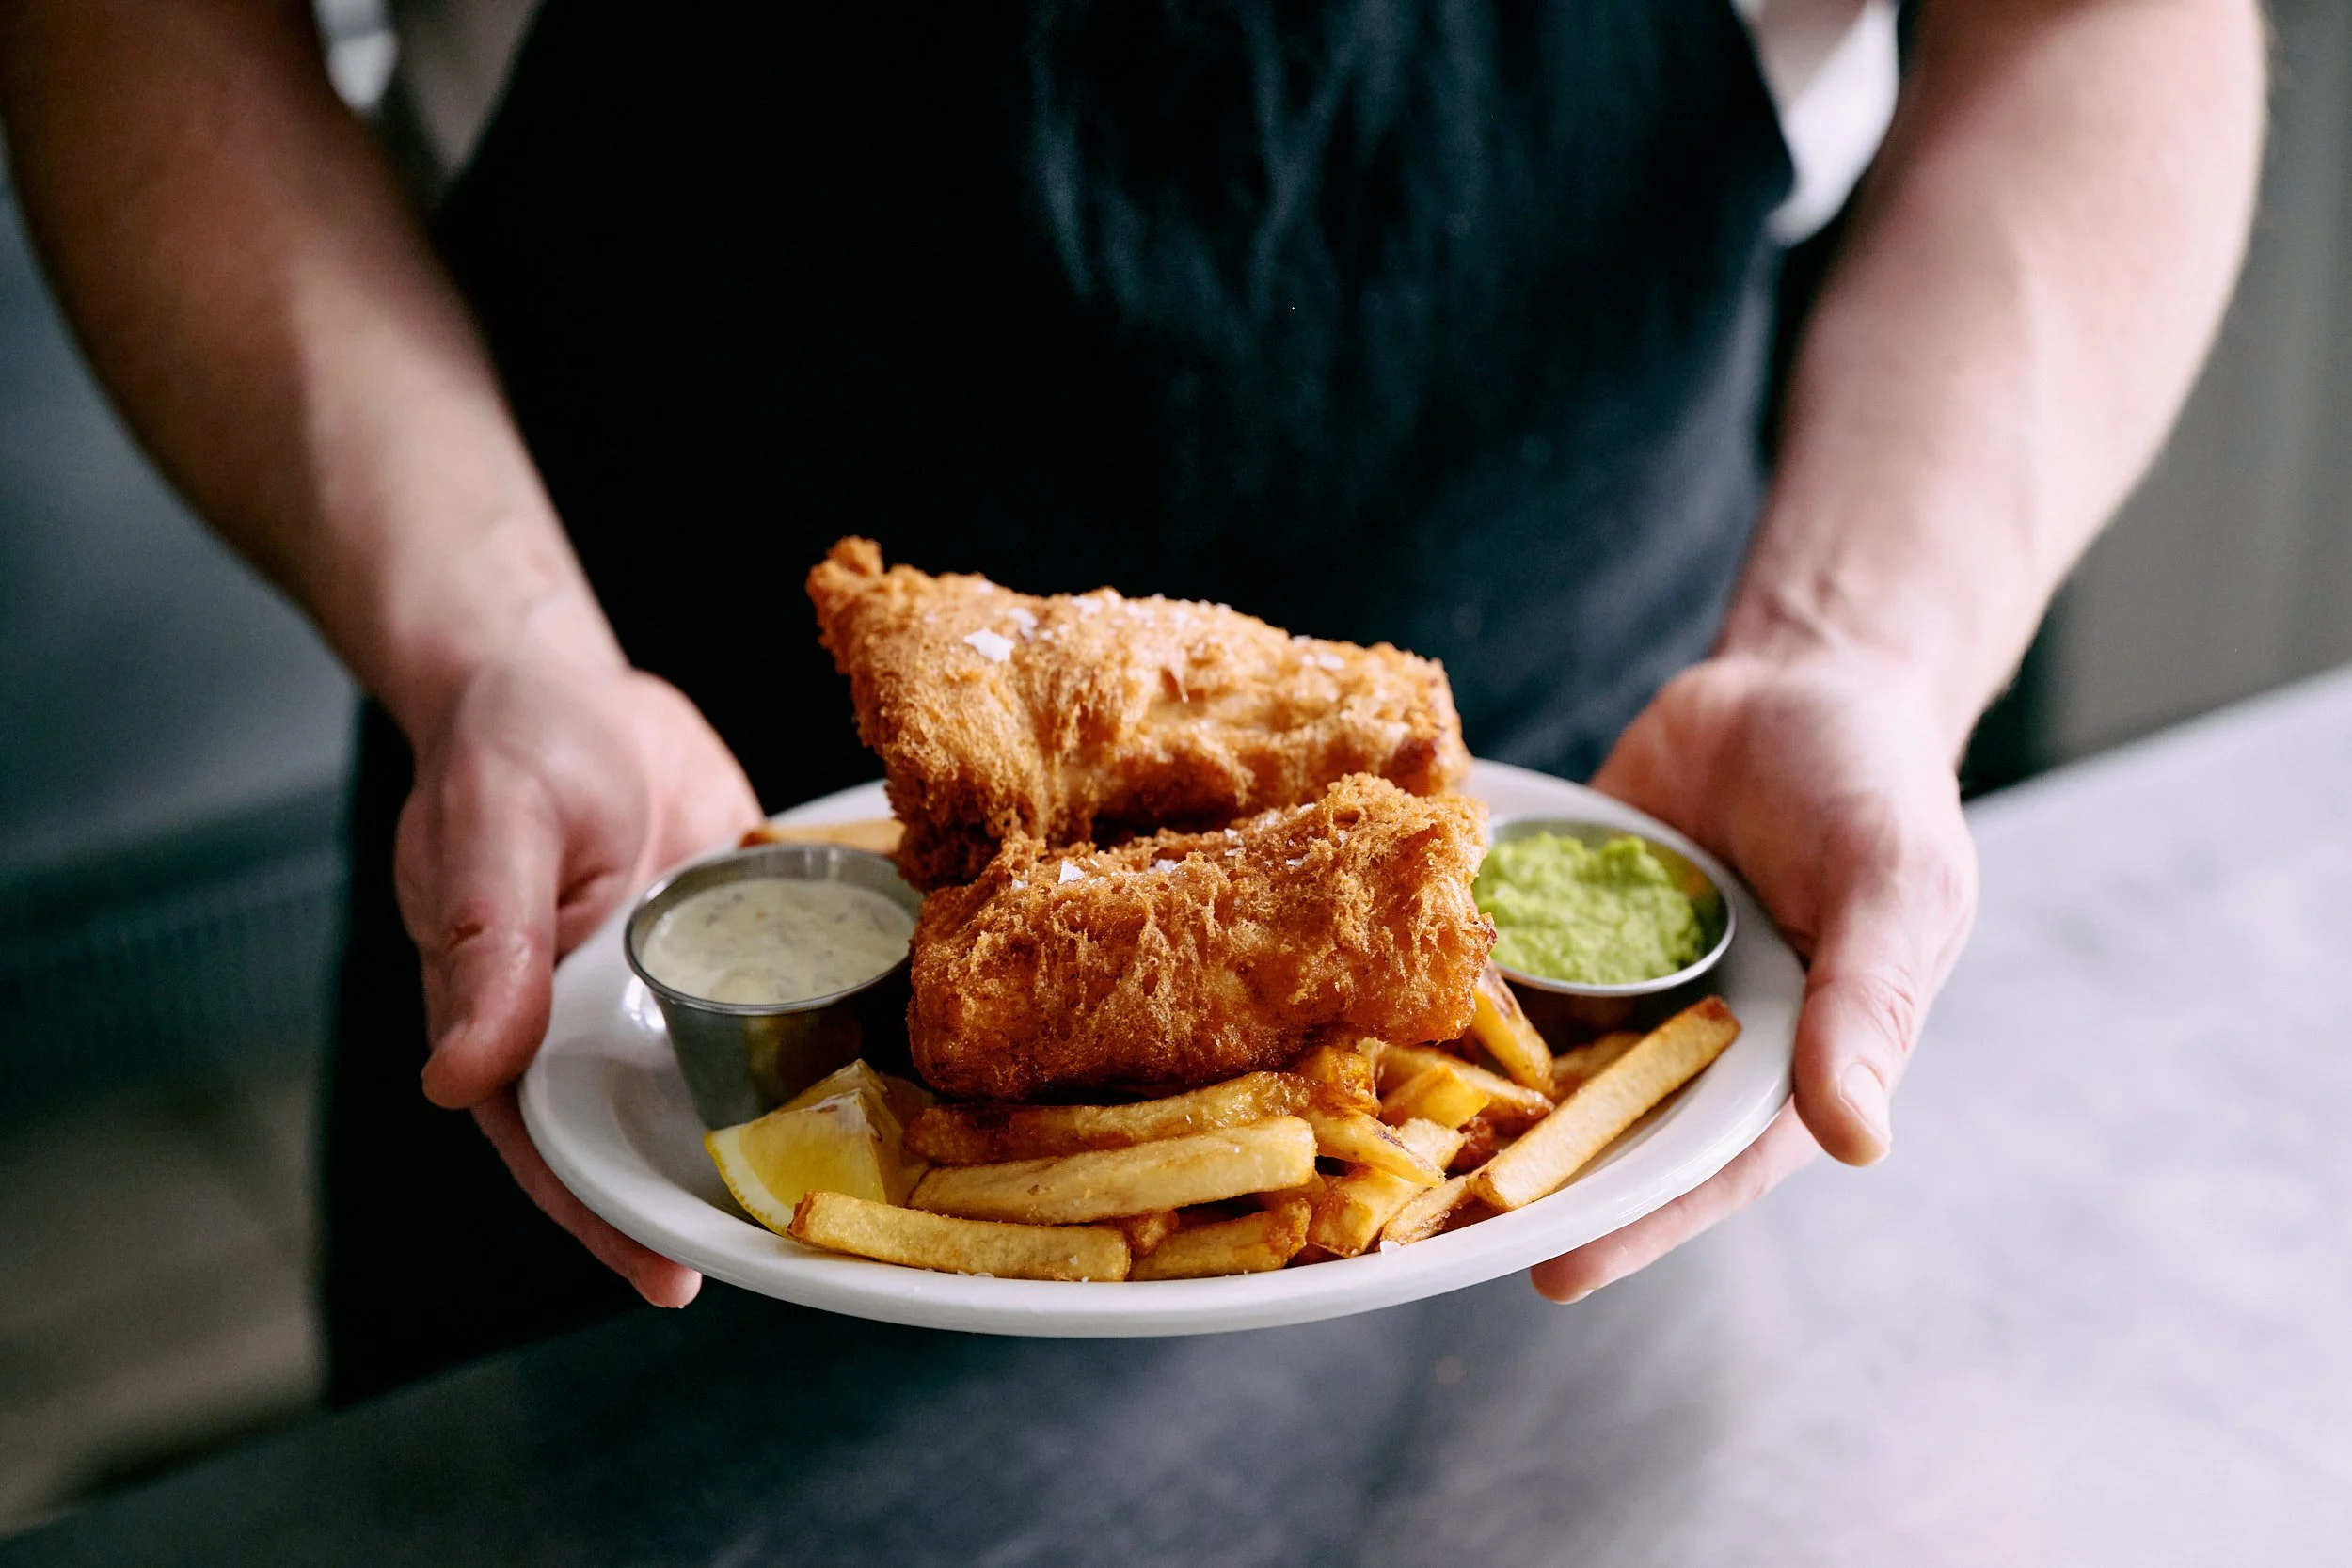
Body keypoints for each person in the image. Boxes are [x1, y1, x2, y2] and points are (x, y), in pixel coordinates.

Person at [0, 0, 2262, 1406]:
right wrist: (492, 646)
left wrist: (1849, 646)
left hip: (1588, 999)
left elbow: (2096, 23)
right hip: (622, 880)